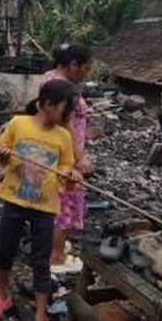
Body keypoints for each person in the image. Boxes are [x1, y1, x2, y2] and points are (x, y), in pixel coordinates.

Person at [0, 79, 81, 321]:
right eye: (64, 110)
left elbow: (65, 166)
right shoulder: (18, 123)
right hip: (14, 200)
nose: (68, 116)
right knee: (6, 250)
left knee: (41, 261)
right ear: (46, 104)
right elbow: (1, 149)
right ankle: (1, 295)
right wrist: (2, 153)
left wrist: (70, 176)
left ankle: (40, 317)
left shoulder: (63, 137)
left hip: (45, 208)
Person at [41, 44, 93, 270]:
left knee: (55, 203)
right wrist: (79, 158)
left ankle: (54, 248)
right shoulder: (60, 86)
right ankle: (56, 256)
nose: (85, 74)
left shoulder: (50, 78)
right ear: (73, 65)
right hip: (65, 153)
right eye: (85, 68)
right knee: (64, 205)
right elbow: (67, 122)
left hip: (56, 149)